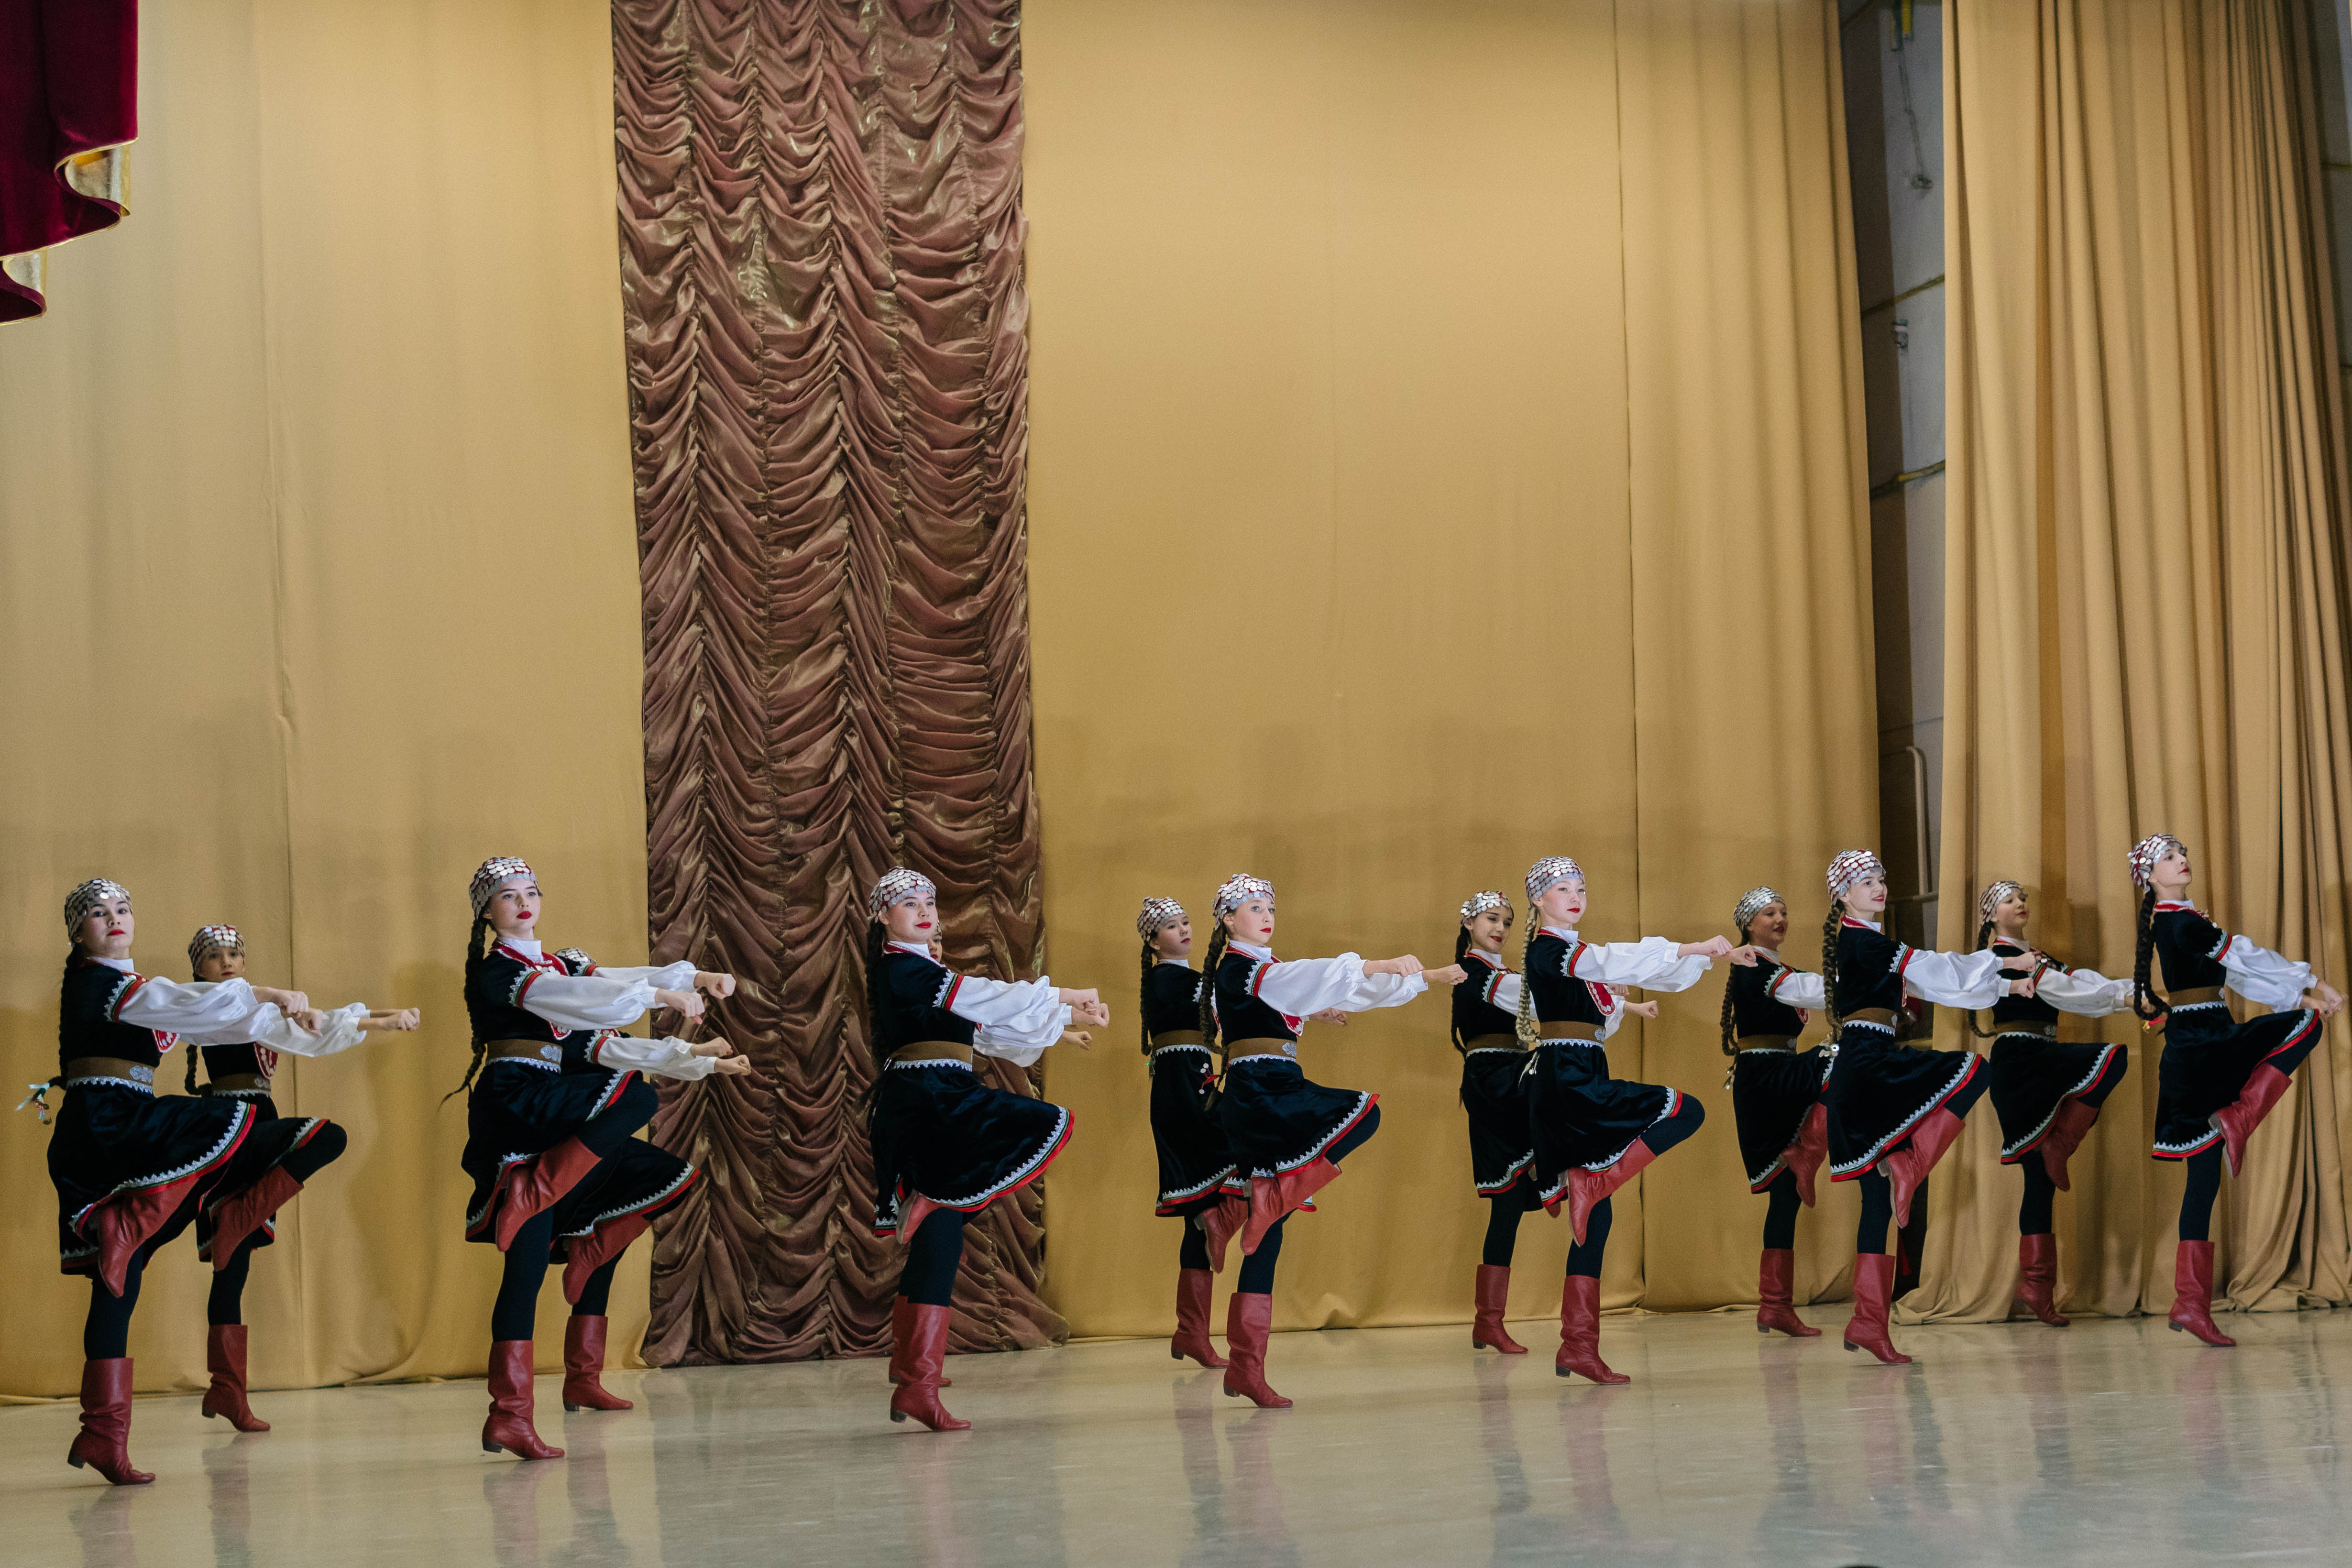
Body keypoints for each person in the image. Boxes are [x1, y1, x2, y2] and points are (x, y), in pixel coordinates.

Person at [35, 880, 371, 1484]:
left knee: (120, 1278)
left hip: (124, 1120)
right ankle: (140, 1226)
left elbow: (241, 1022)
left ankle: (102, 1434)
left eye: (122, 909)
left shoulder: (139, 991)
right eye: (98, 913)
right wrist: (274, 991)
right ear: (77, 932)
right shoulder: (97, 981)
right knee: (220, 1118)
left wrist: (357, 1019)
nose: (114, 918)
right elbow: (187, 1003)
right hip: (106, 1124)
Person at [456, 856, 751, 1459]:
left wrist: (697, 996)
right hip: (517, 1104)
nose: (524, 902)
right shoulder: (502, 971)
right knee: (527, 1265)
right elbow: (584, 997)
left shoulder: (562, 963)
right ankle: (509, 1414)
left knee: (645, 1184)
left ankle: (582, 1372)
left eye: (531, 890)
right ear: (487, 912)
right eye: (508, 896)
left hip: (559, 1107)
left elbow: (606, 1022)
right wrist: (665, 994)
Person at [1198, 872, 1456, 1406]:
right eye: (1254, 907)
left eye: (1271, 907)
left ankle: (1245, 1366)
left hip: (1271, 1087)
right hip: (1260, 1092)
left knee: (1268, 1237)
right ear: (1228, 919)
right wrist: (1379, 963)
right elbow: (1307, 976)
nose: (1267, 915)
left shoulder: (1261, 970)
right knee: (1362, 1114)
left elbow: (1333, 989)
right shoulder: (1241, 966)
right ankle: (1253, 1205)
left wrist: (1424, 976)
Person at [865, 866, 1106, 1431]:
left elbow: (987, 1029)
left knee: (942, 1237)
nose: (925, 910)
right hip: (929, 1103)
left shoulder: (927, 973)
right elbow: (982, 997)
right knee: (1036, 1125)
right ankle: (917, 1383)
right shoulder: (899, 967)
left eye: (929, 901)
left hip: (941, 1098)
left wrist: (1067, 1017)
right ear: (882, 917)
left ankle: (913, 1377)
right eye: (908, 903)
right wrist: (1064, 993)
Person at [180, 922, 418, 1428]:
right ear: (198, 969)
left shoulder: (255, 1007)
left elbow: (314, 1027)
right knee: (327, 1137)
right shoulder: (211, 1004)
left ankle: (227, 1389)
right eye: (214, 956)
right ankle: (239, 1214)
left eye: (234, 954)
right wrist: (374, 1020)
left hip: (257, 1118)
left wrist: (384, 1018)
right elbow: (296, 1025)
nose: (227, 962)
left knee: (232, 1267)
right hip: (229, 1122)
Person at [1815, 850, 2035, 1364]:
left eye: (1881, 878)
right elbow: (1937, 968)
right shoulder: (1864, 940)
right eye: (1866, 882)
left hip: (1867, 1063)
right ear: (1843, 895)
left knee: (1876, 1203)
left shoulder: (1864, 942)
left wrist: (2008, 983)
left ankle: (1868, 1322)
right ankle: (1910, 1163)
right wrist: (2006, 961)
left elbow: (1933, 984)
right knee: (1973, 1070)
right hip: (1867, 1064)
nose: (1879, 887)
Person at [1514, 856, 1726, 1382]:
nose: (1575, 896)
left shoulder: (1573, 955)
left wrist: (1707, 958)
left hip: (1582, 1067)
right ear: (1538, 899)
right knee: (1685, 1109)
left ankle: (1577, 1346)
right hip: (1566, 1077)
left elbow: (1612, 992)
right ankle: (1596, 1182)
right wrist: (1691, 947)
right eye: (1563, 888)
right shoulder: (1549, 949)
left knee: (1597, 1221)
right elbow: (1616, 960)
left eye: (1581, 888)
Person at [2126, 833, 2342, 1347]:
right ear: (2150, 877)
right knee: (2303, 1030)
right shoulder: (2181, 922)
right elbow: (2245, 957)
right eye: (2169, 857)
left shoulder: (2181, 921)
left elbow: (2240, 976)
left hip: (2197, 1044)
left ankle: (2190, 1303)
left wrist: (2303, 996)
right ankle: (2239, 1116)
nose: (2182, 860)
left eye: (2182, 853)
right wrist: (2313, 982)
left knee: (2202, 1180)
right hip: (2204, 1044)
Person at [1452, 889, 1654, 1353]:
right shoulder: (1472, 972)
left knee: (1506, 1206)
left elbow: (1551, 1000)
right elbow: (1542, 1003)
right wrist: (1604, 991)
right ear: (1468, 924)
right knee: (1516, 1191)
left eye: (1507, 921)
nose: (1500, 929)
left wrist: (1613, 1000)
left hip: (1513, 1077)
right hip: (1497, 1085)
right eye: (1491, 919)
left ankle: (1489, 1322)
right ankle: (1584, 1172)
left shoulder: (1505, 973)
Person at [1962, 882, 2132, 1327]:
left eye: (2022, 898)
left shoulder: (2042, 957)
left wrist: (2136, 991)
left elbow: (2083, 986)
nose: (2020, 904)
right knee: (2038, 1178)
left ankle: (2037, 1288)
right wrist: (2129, 998)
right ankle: (2038, 1287)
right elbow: (2069, 991)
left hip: (2045, 1057)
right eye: (2009, 900)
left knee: (2042, 1177)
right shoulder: (1992, 959)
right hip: (2019, 1062)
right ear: (1991, 916)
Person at [1716, 887, 1831, 1337]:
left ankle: (1775, 1306)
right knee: (1843, 1057)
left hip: (1783, 1073)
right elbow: (1819, 991)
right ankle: (1808, 1152)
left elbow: (1814, 989)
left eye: (1784, 911)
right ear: (1749, 925)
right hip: (1765, 1079)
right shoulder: (1752, 965)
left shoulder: (1783, 970)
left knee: (1785, 1194)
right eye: (1769, 913)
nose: (1781, 918)